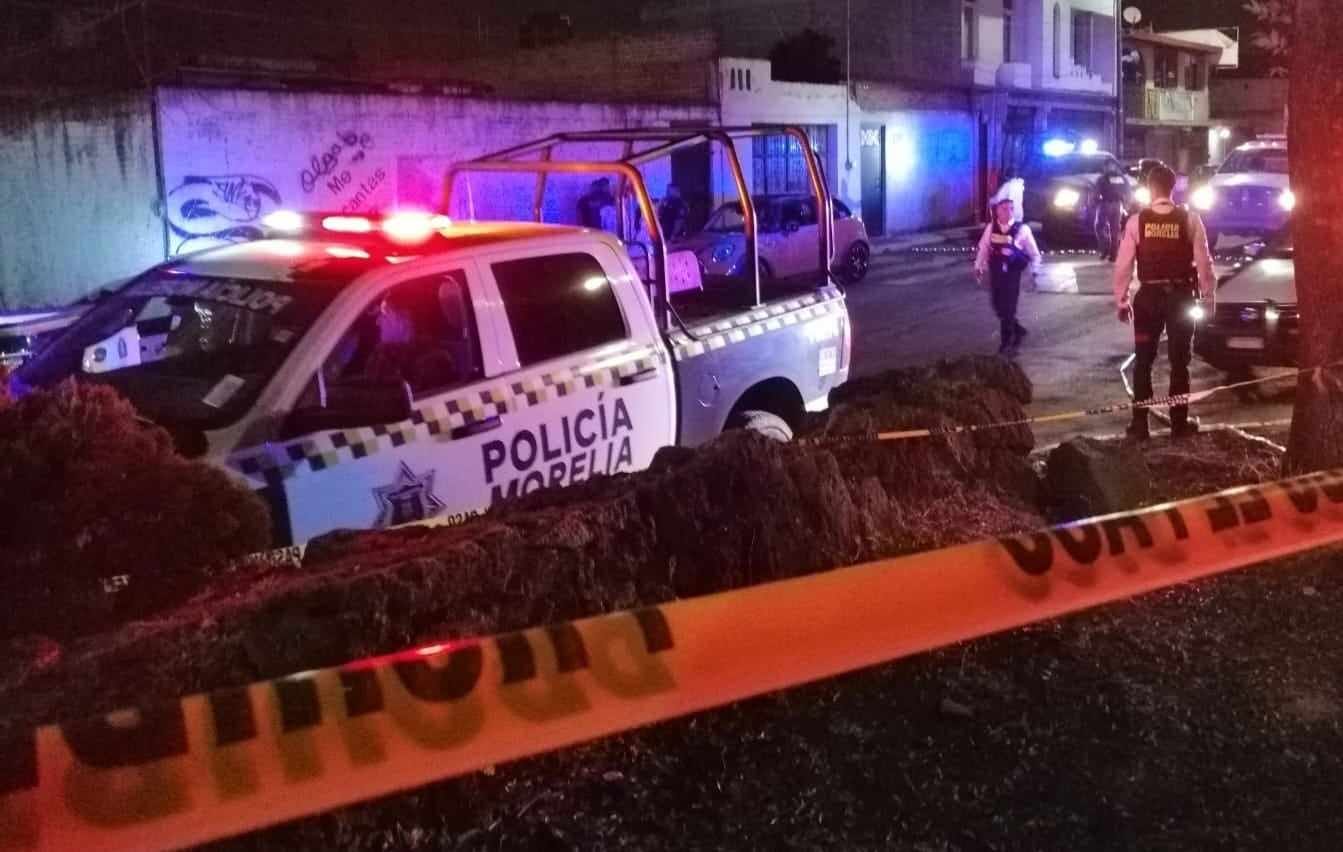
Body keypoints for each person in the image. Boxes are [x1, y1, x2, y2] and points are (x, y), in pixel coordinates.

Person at [1112, 164, 1215, 441]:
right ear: (1173, 188)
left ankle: (1139, 425)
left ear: (1149, 188)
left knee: (1143, 360)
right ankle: (1179, 425)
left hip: (1148, 300)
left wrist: (1121, 300)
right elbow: (1204, 263)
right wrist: (1209, 296)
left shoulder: (1137, 221)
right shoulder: (1190, 219)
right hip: (1180, 299)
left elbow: (1123, 265)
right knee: (1180, 362)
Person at [975, 180, 1042, 356]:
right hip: (996, 273)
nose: (1008, 212)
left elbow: (1034, 254)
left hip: (1012, 275)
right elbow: (984, 248)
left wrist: (1035, 272)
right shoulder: (991, 228)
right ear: (997, 210)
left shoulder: (1022, 230)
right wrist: (979, 266)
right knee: (997, 305)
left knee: (1008, 307)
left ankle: (1007, 344)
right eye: (1004, 209)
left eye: (1011, 208)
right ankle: (1016, 328)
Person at [1094, 160, 1128, 261]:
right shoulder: (1122, 178)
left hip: (1105, 204)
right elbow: (1128, 191)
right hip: (1118, 205)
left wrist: (1095, 202)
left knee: (1099, 227)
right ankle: (1114, 254)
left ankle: (1105, 247)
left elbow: (1096, 193)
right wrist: (1126, 204)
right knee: (1115, 230)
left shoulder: (1102, 178)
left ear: (1105, 167)